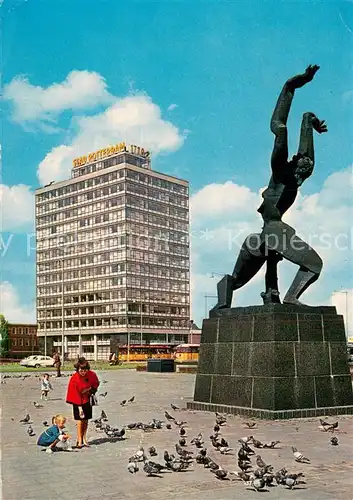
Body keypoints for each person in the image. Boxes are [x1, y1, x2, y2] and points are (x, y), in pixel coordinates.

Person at [211, 65, 327, 310]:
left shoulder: (296, 177)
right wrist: (292, 86)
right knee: (314, 264)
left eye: (305, 168)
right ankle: (290, 297)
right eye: (300, 164)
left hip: (266, 236)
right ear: (293, 163)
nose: (304, 169)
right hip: (272, 233)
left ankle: (251, 296)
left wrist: (311, 123)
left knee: (240, 279)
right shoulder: (281, 172)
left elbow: (307, 138)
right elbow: (279, 124)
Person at [66, 357, 99, 448]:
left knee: (86, 420)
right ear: (78, 369)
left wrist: (91, 390)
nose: (83, 372)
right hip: (77, 401)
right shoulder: (74, 378)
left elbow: (96, 383)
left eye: (85, 370)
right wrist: (79, 407)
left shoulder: (92, 375)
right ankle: (79, 439)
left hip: (87, 399)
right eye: (81, 370)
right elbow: (74, 394)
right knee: (80, 420)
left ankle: (84, 438)